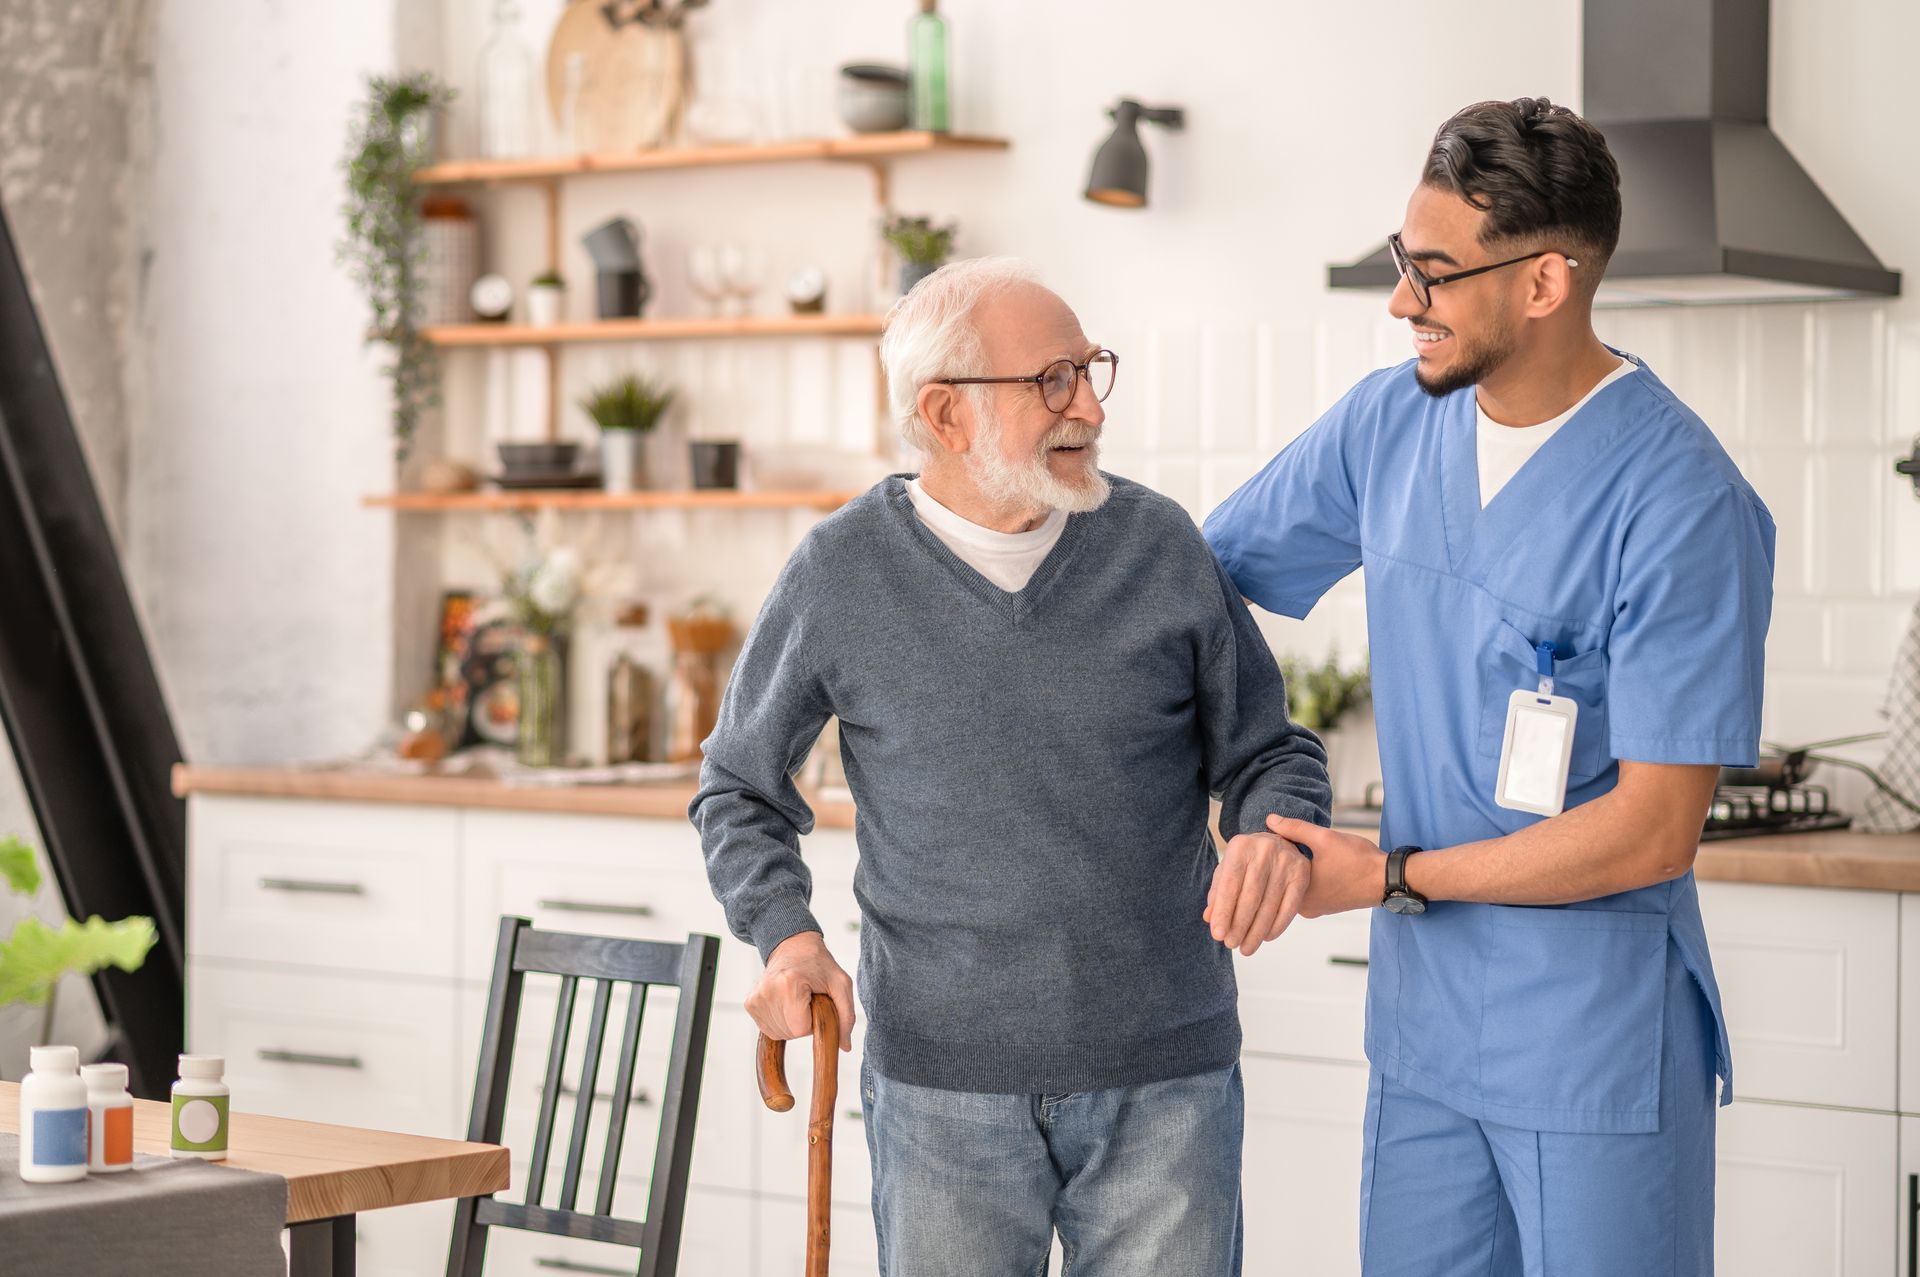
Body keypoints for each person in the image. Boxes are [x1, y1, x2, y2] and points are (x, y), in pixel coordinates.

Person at [1204, 98, 1774, 1276]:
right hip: (1425, 1042)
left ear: (1545, 284)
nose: (1404, 299)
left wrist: (1393, 873)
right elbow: (1196, 584)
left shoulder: (1680, 499)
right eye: (1403, 261)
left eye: (1436, 273)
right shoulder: (1387, 428)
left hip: (1593, 1048)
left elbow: (1656, 829)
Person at [691, 256, 1331, 1276]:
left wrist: (1272, 825)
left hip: (1167, 1076)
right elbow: (738, 787)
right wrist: (786, 935)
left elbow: (1270, 750)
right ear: (946, 414)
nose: (1088, 405)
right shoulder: (841, 570)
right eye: (1052, 380)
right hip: (943, 1088)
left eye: (1089, 370)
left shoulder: (1158, 545)